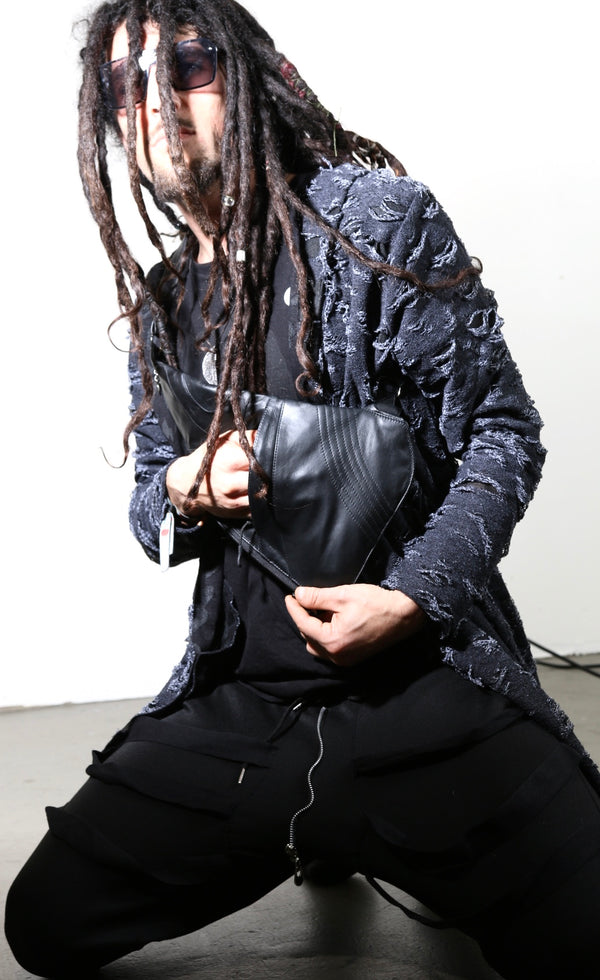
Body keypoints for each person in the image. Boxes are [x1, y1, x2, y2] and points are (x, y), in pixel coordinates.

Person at [5, 1, 600, 977]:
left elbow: (503, 433)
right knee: (43, 926)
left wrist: (412, 598)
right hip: (248, 704)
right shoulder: (165, 301)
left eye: (187, 65)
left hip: (429, 689)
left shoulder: (376, 223)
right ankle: (316, 827)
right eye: (125, 84)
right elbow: (148, 503)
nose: (156, 100)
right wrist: (184, 486)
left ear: (247, 75)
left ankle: (383, 832)